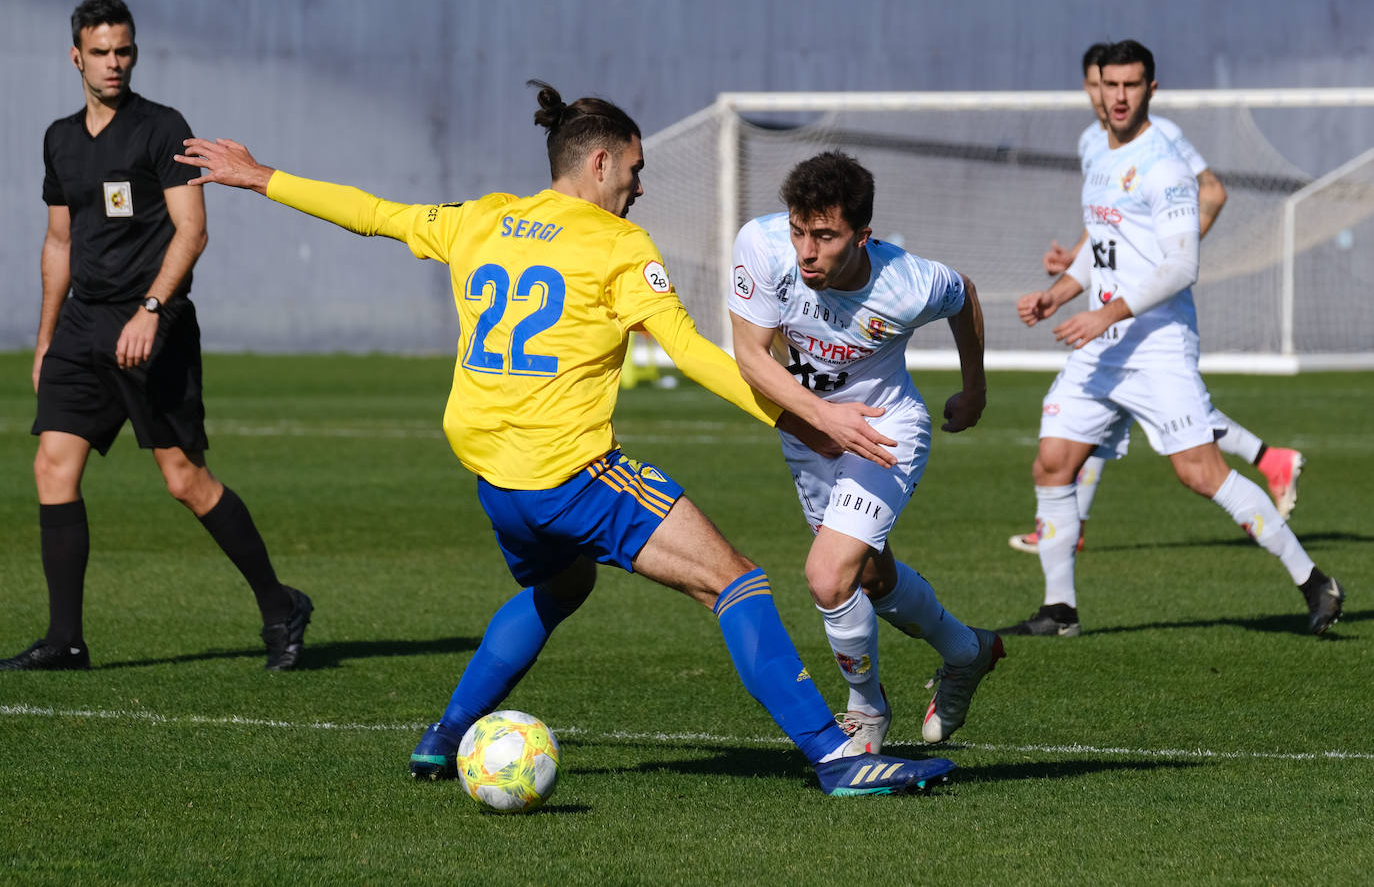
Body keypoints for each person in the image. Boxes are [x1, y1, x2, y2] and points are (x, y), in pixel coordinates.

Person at [175, 81, 956, 796]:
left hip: (497, 483)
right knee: (737, 582)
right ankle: (835, 757)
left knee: (560, 586)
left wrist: (264, 177)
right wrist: (810, 419)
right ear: (601, 160)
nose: (641, 187)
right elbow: (692, 354)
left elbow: (373, 213)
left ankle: (443, 738)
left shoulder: (479, 219)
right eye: (636, 170)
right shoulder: (619, 248)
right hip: (573, 474)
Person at [2, 0, 311, 673]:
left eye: (125, 50)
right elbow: (58, 243)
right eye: (102, 51)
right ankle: (64, 640)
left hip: (152, 322)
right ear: (76, 56)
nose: (115, 63)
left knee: (183, 480)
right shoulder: (58, 138)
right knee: (52, 466)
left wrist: (149, 309)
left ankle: (280, 605)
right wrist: (46, 335)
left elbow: (193, 229)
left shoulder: (161, 128)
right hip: (81, 323)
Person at [999, 40, 1344, 638]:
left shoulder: (1164, 165)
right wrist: (1059, 292)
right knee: (1053, 461)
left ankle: (1314, 582)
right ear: (1095, 87)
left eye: (1132, 85)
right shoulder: (1092, 147)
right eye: (1110, 85)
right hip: (1105, 342)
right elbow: (1105, 246)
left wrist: (1103, 316)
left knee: (1200, 472)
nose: (1119, 96)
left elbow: (1181, 266)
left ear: (1151, 90)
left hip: (1157, 343)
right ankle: (1060, 610)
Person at [728, 151, 1004, 753]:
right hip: (809, 434)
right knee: (869, 581)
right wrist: (822, 420)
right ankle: (968, 652)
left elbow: (966, 296)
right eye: (800, 230)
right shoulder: (763, 245)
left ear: (862, 236)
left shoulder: (906, 283)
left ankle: (865, 713)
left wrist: (975, 391)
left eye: (825, 236)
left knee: (827, 577)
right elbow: (749, 356)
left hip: (885, 431)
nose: (806, 251)